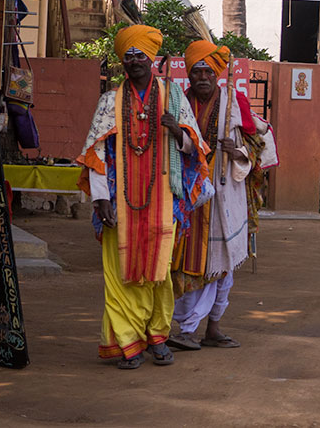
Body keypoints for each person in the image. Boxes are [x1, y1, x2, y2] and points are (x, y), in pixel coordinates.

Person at [77, 25, 212, 370]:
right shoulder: (110, 101)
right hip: (118, 202)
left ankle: (158, 336)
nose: (135, 61)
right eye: (129, 55)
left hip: (162, 202)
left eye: (141, 55)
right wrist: (100, 198)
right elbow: (97, 153)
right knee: (120, 274)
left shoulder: (174, 97)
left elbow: (196, 149)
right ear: (123, 62)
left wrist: (175, 131)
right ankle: (128, 343)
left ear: (152, 59)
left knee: (159, 273)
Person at [168, 40, 254, 352]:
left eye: (207, 71)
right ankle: (188, 328)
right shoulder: (178, 102)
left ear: (216, 74)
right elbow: (183, 146)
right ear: (188, 75)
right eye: (196, 71)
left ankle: (213, 328)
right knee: (193, 264)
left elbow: (260, 140)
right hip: (190, 197)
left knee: (224, 263)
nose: (202, 77)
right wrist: (178, 134)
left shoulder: (234, 101)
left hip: (227, 195)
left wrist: (240, 151)